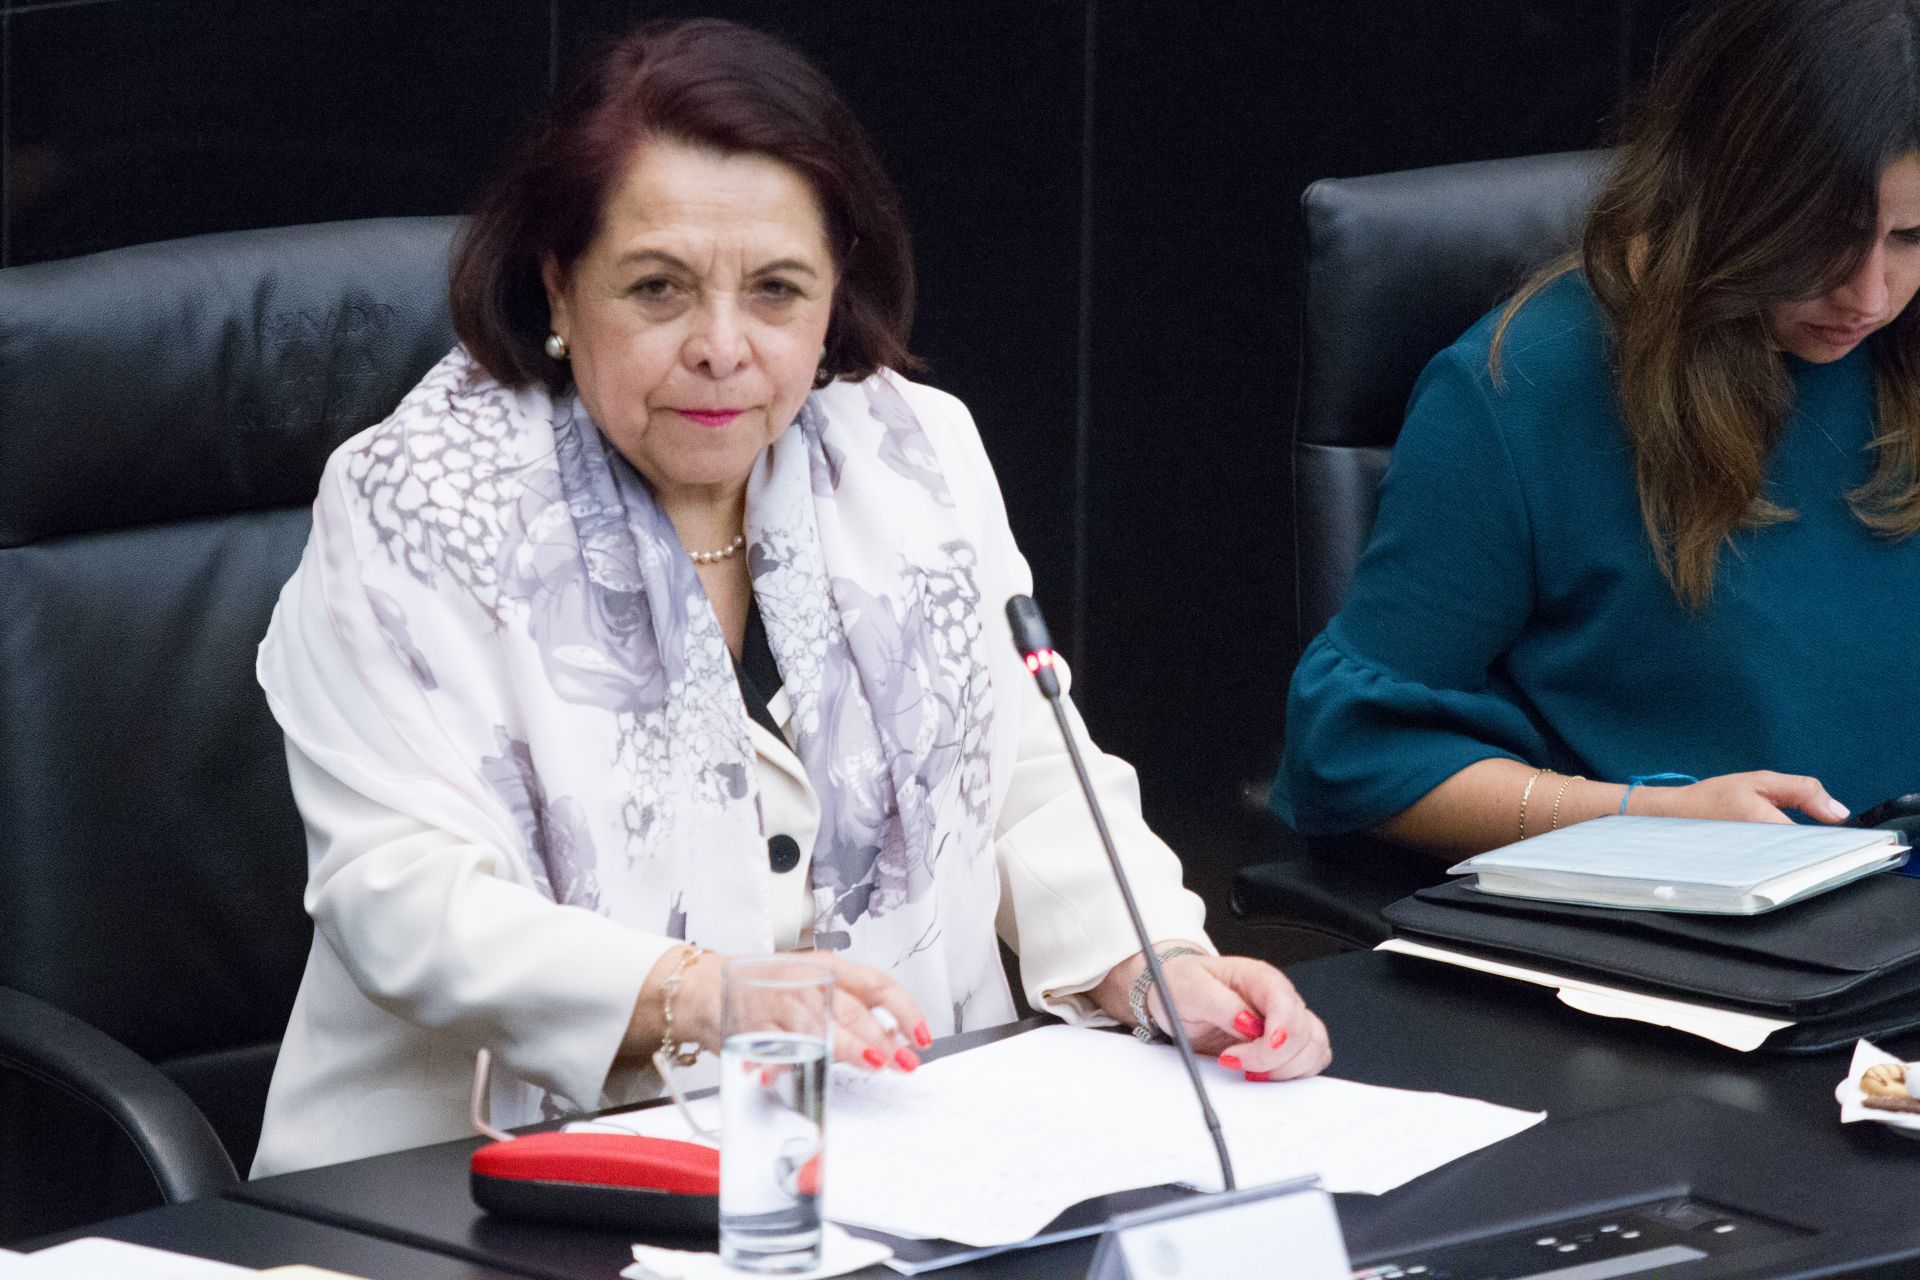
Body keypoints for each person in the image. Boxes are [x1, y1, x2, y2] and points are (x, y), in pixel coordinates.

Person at [251, 18, 1327, 1177]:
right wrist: (700, 995)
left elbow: (1018, 766)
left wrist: (1155, 959)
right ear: (559, 285)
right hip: (463, 1182)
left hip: (877, 1153)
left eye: (776, 291)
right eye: (658, 288)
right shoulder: (414, 506)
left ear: (833, 299)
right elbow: (399, 896)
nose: (723, 346)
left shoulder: (915, 454)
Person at [1274, 0, 1920, 858]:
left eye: (1913, 237)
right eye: (1820, 239)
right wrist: (1639, 819)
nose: (1870, 296)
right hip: (1697, 940)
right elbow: (1348, 751)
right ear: (1723, 188)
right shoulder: (1528, 386)